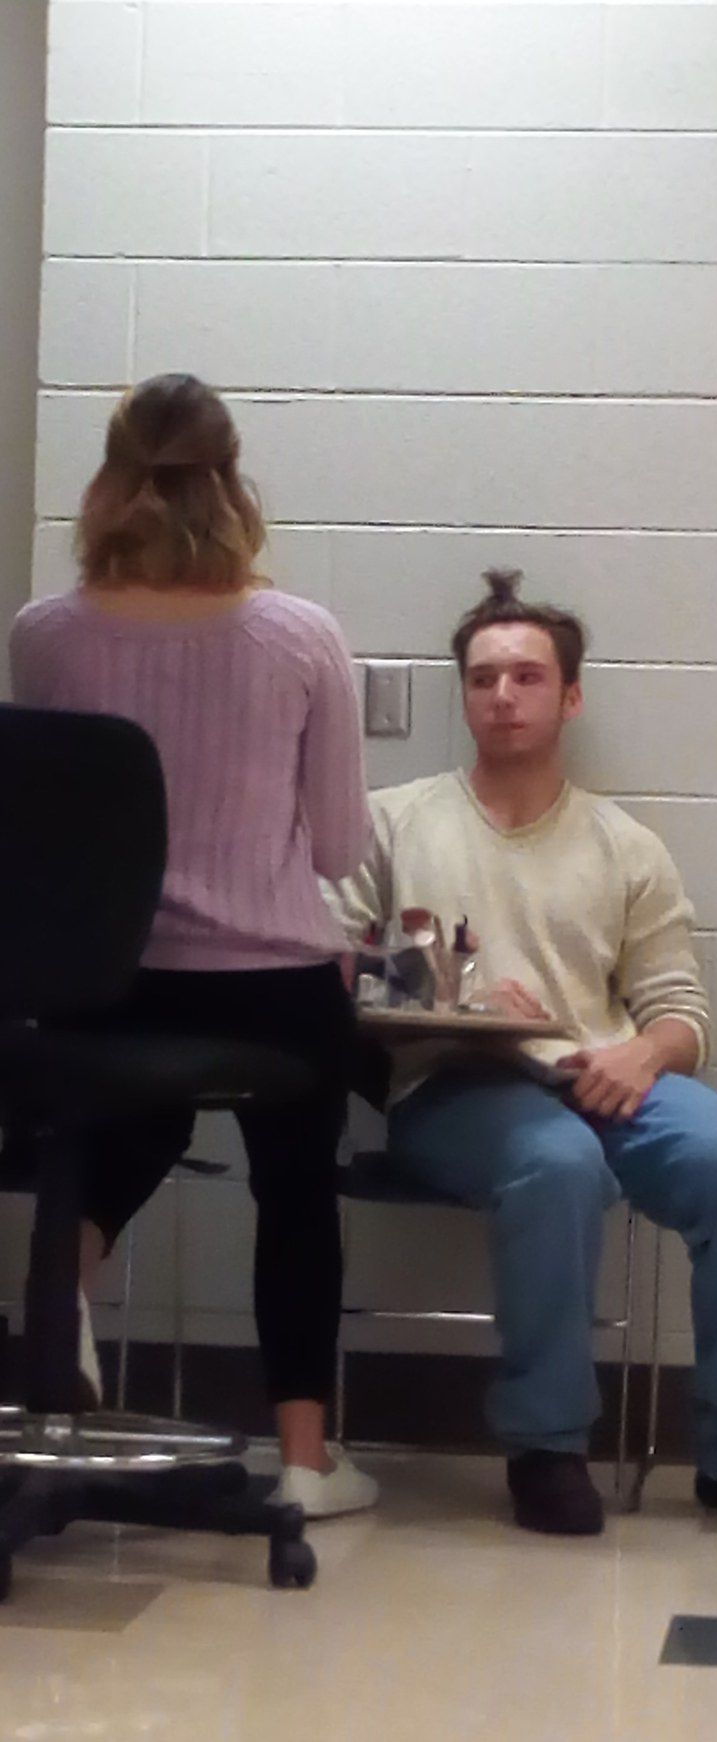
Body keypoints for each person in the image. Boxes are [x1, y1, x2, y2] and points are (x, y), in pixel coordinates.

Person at [330, 568, 717, 1538]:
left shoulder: (625, 845)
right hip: (451, 1085)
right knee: (556, 1163)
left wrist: (644, 1056)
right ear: (464, 696)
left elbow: (679, 1009)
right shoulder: (391, 820)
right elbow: (324, 964)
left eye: (527, 676)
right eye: (483, 678)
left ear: (570, 697)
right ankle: (545, 1447)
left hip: (598, 1071)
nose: (503, 695)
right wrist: (455, 997)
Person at [10, 373, 377, 1520]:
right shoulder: (300, 634)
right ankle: (307, 1462)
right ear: (233, 478)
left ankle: (64, 1285)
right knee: (296, 1189)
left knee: (132, 1121)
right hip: (272, 988)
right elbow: (338, 848)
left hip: (109, 984)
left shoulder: (45, 634)